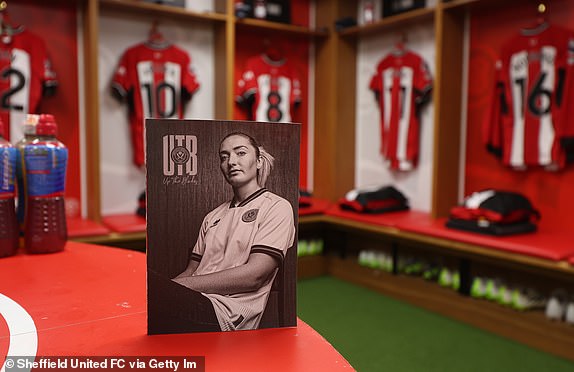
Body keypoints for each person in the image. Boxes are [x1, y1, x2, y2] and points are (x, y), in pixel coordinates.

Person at [162, 132, 295, 332]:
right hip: (194, 300)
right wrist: (166, 289)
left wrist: (173, 290)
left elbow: (255, 276)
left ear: (258, 161)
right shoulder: (212, 217)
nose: (231, 161)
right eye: (224, 157)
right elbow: (191, 271)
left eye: (240, 153)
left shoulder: (277, 207)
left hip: (227, 313)